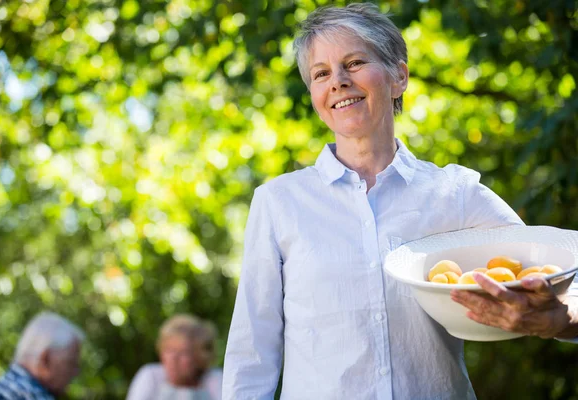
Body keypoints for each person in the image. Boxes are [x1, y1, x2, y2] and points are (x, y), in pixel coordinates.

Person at [222, 3, 578, 399]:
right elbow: (251, 355)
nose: (337, 81)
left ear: (399, 77)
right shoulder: (278, 203)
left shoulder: (453, 193)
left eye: (354, 63)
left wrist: (559, 318)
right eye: (321, 74)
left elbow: (557, 271)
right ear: (314, 96)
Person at [0, 312, 84, 400]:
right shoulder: (30, 395)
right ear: (45, 360)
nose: (75, 372)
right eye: (70, 363)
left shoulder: (6, 386)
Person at [126, 314, 222, 400]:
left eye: (183, 352)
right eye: (169, 350)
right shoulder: (150, 376)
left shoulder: (215, 379)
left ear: (201, 357)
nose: (173, 359)